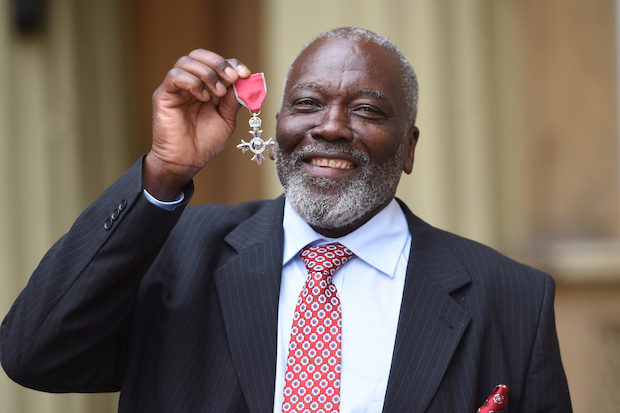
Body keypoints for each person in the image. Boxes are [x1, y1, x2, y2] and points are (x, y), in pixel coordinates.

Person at [0, 27, 571, 413]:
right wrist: (164, 172)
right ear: (277, 127)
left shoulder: (512, 298)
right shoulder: (177, 254)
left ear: (410, 147)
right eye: (306, 104)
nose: (331, 127)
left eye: (367, 109)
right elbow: (34, 354)